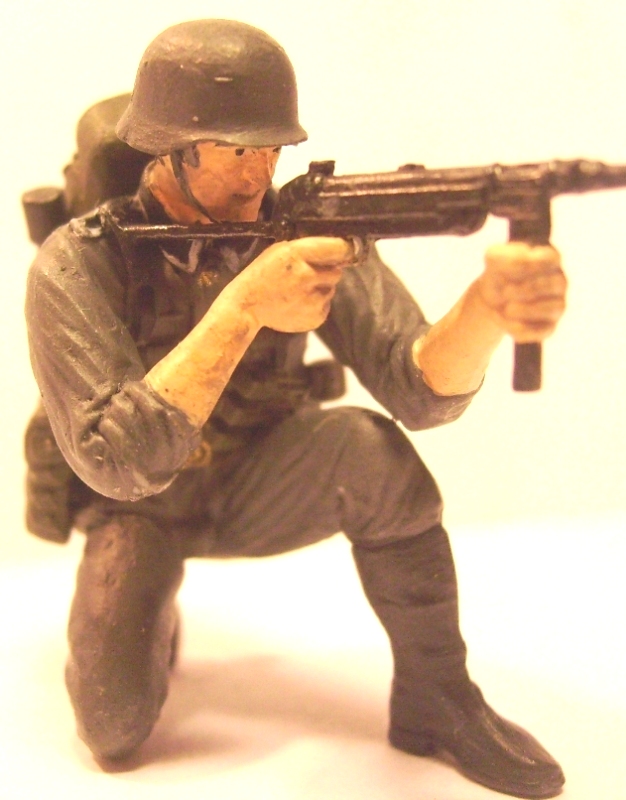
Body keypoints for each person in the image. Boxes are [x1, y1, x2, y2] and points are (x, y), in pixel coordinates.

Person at [25, 19, 567, 799]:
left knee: (374, 456)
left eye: (271, 149)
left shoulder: (301, 229)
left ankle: (438, 698)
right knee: (114, 732)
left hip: (261, 476)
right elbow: (118, 461)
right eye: (235, 151)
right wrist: (244, 307)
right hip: (140, 509)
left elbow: (417, 389)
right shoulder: (78, 261)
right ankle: (150, 607)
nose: (260, 172)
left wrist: (488, 308)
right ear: (172, 150)